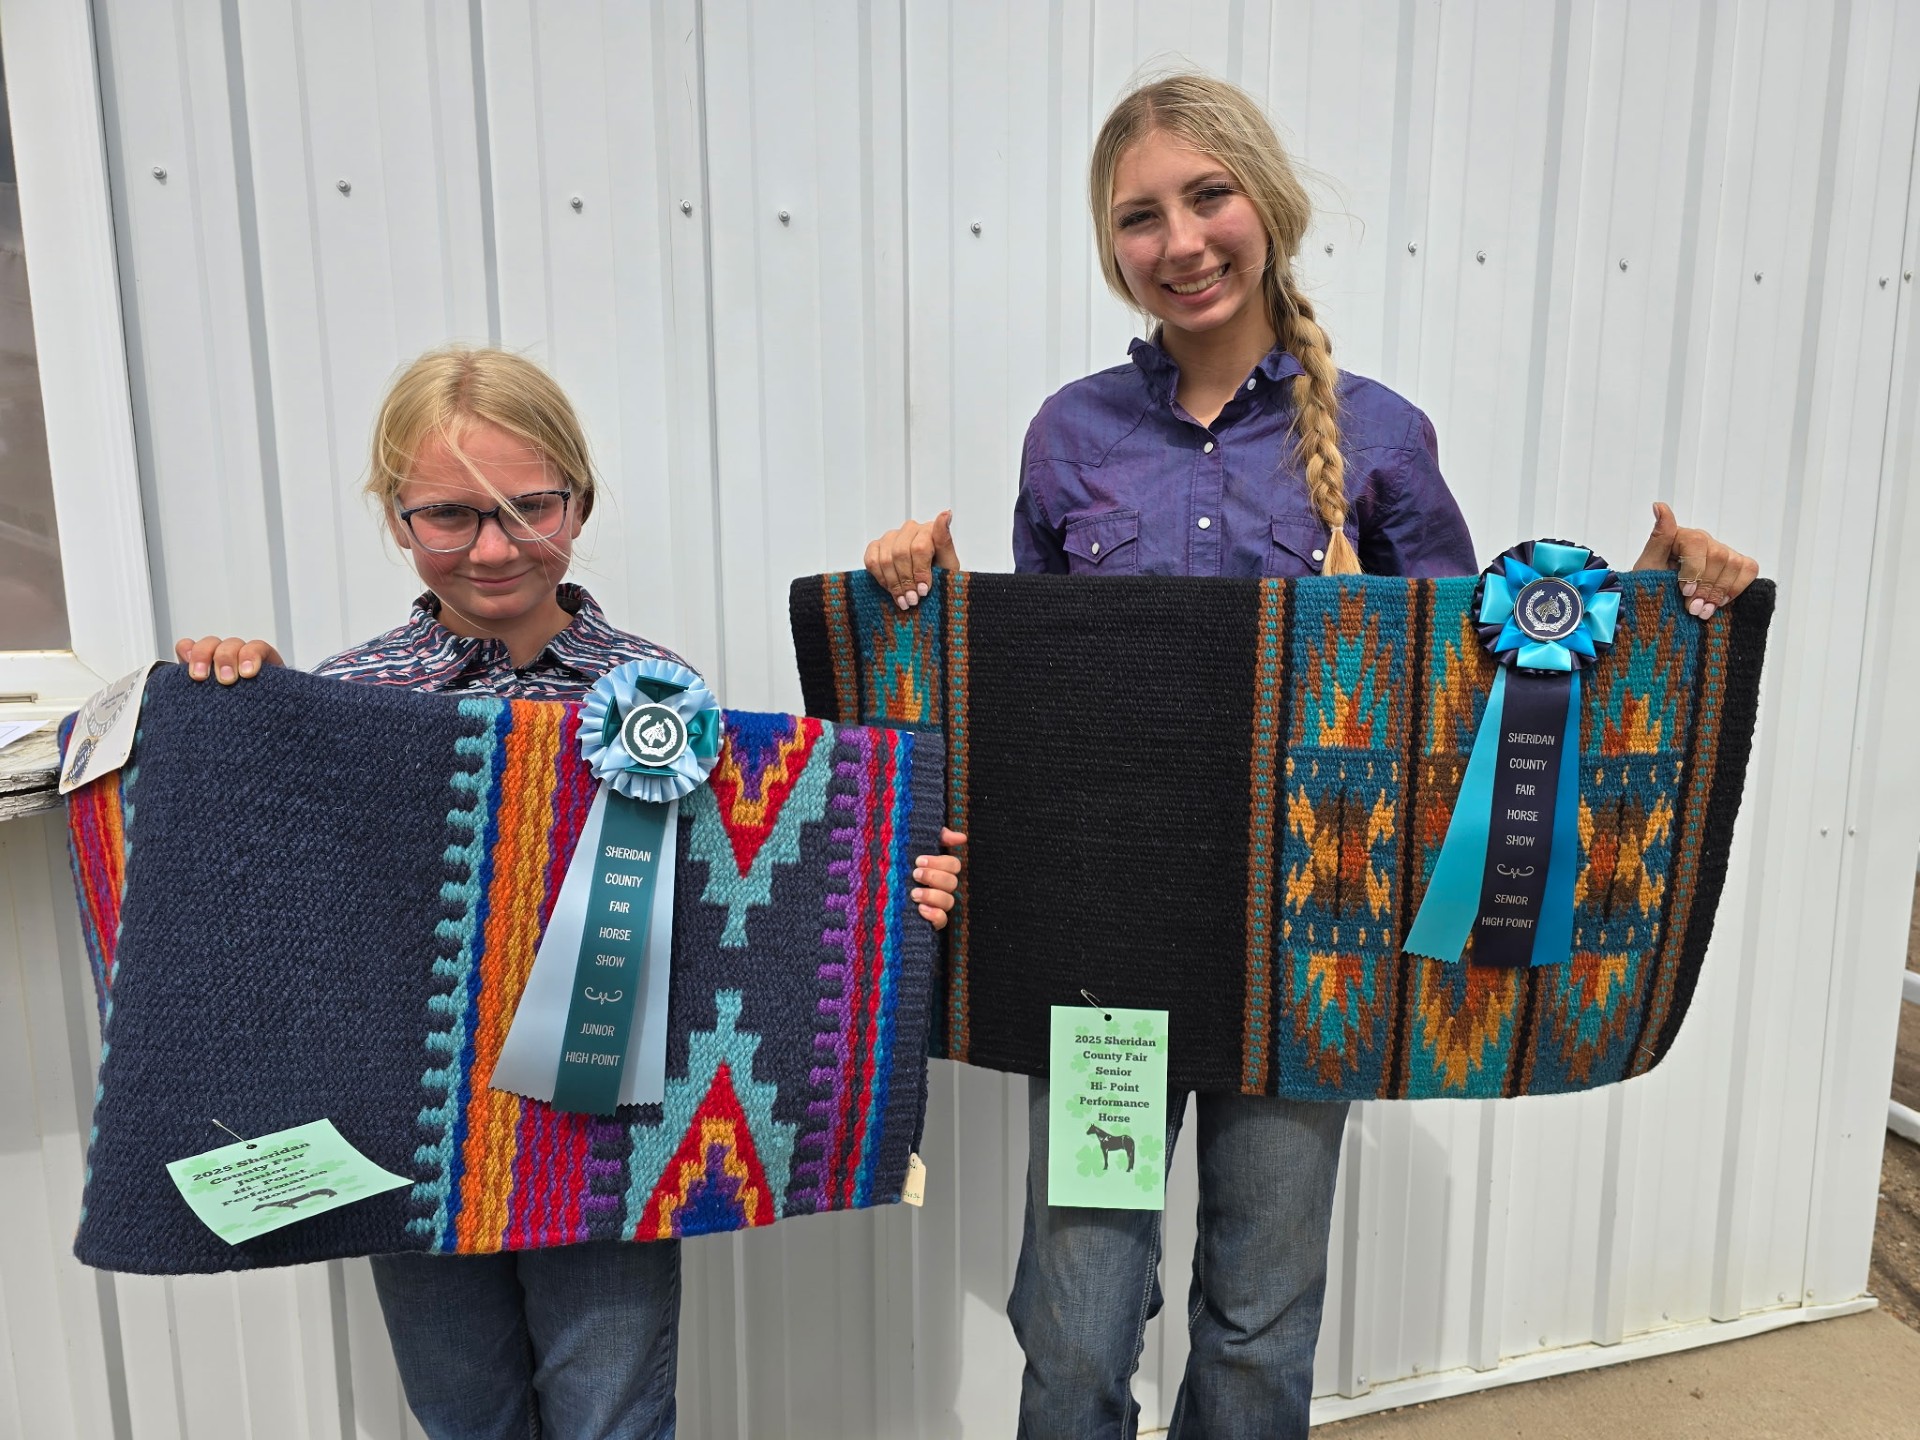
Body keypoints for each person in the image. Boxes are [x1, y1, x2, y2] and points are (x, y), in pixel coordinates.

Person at [863, 73, 1759, 1439]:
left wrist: (1652, 603)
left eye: (1207, 195)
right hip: (1108, 961)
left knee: (1259, 1325)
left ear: (1267, 205)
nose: (1182, 239)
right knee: (1078, 1323)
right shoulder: (1070, 435)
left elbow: (1480, 686)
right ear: (1113, 250)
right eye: (1140, 216)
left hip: (1314, 948)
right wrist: (916, 599)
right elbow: (1028, 699)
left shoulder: (1385, 438)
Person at [176, 345, 965, 1440]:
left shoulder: (655, 694)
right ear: (396, 519)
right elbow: (262, 909)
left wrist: (892, 887)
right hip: (408, 1138)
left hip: (609, 1133)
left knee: (615, 1416)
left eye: (527, 507)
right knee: (464, 1417)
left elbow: (731, 907)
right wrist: (238, 711)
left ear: (580, 503)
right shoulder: (340, 700)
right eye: (450, 515)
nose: (494, 547)